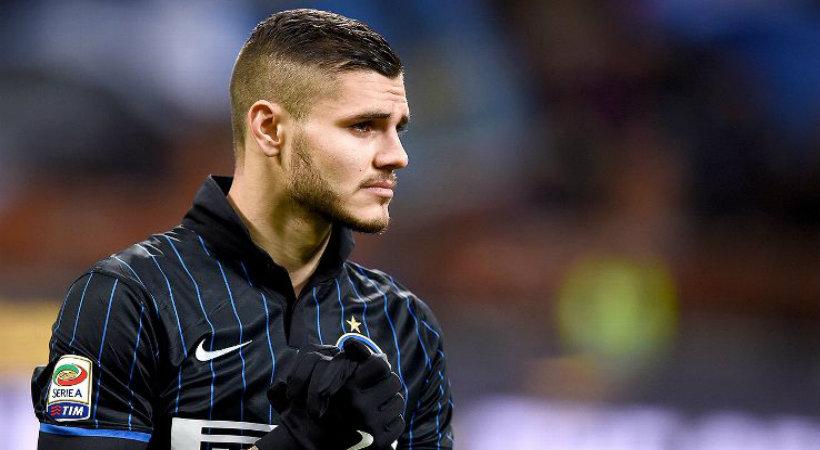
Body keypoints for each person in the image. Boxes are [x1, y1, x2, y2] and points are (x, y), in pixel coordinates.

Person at [31, 8, 453, 450]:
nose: (397, 155)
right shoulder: (129, 298)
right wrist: (296, 444)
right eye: (362, 126)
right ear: (269, 129)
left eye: (397, 129)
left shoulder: (405, 323)